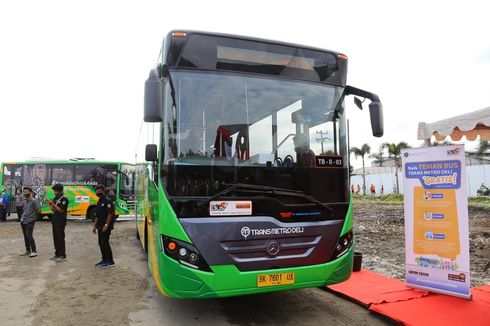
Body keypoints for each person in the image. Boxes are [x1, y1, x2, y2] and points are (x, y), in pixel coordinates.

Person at [92, 184, 116, 268]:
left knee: (105, 243)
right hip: (99, 226)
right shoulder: (99, 201)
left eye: (99, 190)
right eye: (96, 190)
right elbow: (97, 215)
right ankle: (104, 259)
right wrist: (94, 226)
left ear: (103, 190)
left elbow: (110, 213)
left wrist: (106, 225)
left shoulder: (107, 200)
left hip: (106, 226)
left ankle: (110, 261)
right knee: (101, 243)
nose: (97, 192)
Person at [45, 183, 69, 262]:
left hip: (60, 221)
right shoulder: (56, 198)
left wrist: (52, 204)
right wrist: (50, 205)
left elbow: (61, 210)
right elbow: (54, 210)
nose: (54, 192)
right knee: (55, 238)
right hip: (54, 220)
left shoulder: (64, 199)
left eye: (56, 191)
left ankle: (62, 255)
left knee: (60, 238)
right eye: (54, 191)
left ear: (60, 191)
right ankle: (57, 253)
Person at [19, 187, 40, 257]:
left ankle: (34, 251)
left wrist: (33, 217)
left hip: (30, 220)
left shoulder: (34, 201)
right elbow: (24, 209)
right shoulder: (24, 200)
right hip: (23, 220)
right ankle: (28, 250)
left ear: (30, 192)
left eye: (27, 191)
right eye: (24, 192)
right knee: (25, 236)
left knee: (29, 235)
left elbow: (38, 211)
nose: (25, 193)